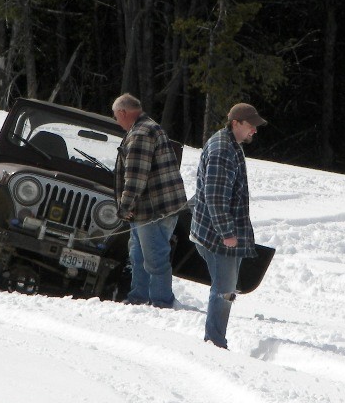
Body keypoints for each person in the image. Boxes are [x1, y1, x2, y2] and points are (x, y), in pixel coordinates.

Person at [190, 102, 267, 349]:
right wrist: (227, 233)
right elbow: (215, 197)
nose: (254, 130)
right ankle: (214, 343)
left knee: (226, 288)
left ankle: (215, 340)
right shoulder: (223, 150)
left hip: (215, 232)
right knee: (224, 291)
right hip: (217, 236)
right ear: (236, 123)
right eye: (251, 125)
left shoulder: (229, 144)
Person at [112, 93, 188, 308]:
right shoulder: (146, 128)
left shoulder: (141, 134)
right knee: (137, 254)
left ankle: (161, 302)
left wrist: (124, 206)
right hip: (146, 210)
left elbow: (135, 177)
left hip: (154, 210)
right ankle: (139, 297)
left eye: (116, 117)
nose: (117, 122)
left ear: (123, 112)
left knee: (155, 258)